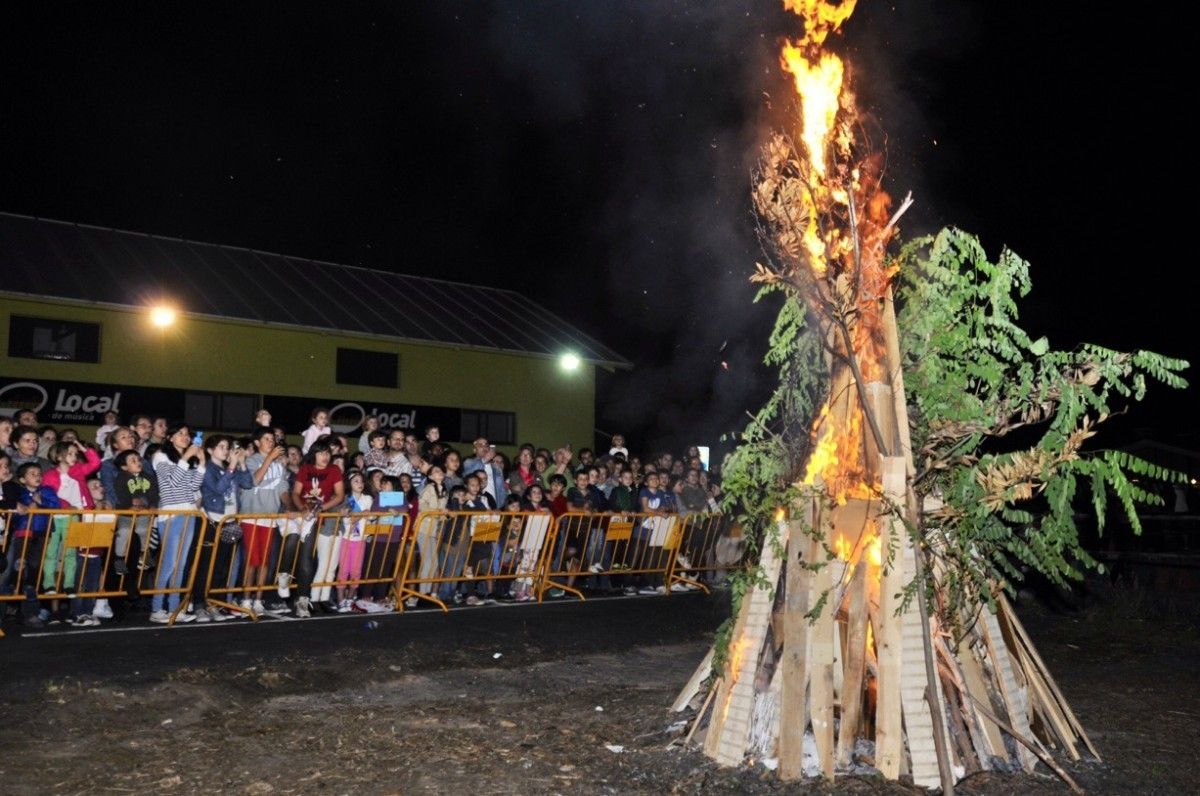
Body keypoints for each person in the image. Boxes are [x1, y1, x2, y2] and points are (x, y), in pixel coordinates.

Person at [149, 424, 206, 624]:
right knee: (169, 563)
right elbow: (172, 482)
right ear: (170, 438)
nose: (185, 437)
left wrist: (201, 462)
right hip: (172, 515)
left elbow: (193, 486)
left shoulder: (187, 460)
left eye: (187, 435)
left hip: (189, 512)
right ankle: (157, 608)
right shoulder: (160, 456)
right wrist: (186, 457)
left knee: (180, 565)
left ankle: (174, 608)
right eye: (180, 433)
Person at [281, 440, 344, 618]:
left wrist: (321, 508)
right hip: (300, 513)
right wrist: (302, 508)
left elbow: (339, 495)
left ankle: (302, 599)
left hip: (317, 517)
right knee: (291, 544)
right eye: (321, 453)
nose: (325, 456)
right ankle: (284, 578)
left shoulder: (334, 470)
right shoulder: (305, 469)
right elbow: (295, 492)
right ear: (314, 454)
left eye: (327, 453)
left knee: (307, 556)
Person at [195, 435, 255, 622]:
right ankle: (199, 605)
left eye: (227, 447)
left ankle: (216, 604)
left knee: (223, 566)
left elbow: (247, 484)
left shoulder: (231, 467)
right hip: (213, 521)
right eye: (221, 446)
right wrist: (231, 467)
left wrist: (242, 464)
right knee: (206, 566)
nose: (226, 450)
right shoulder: (208, 469)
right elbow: (217, 489)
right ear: (211, 450)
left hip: (230, 521)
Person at [237, 428, 289, 615]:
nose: (271, 442)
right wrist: (269, 459)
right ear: (258, 443)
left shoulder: (280, 466)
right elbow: (255, 481)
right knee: (251, 560)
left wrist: (291, 507)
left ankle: (258, 600)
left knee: (265, 561)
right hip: (251, 517)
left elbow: (283, 491)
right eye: (266, 439)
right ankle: (245, 599)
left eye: (273, 439)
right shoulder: (251, 461)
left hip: (270, 518)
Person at [335, 471, 373, 612]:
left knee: (356, 571)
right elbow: (349, 520)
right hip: (347, 539)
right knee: (343, 570)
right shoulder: (345, 499)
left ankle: (350, 599)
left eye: (361, 481)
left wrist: (362, 514)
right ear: (349, 484)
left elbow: (369, 517)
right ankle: (340, 600)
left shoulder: (368, 498)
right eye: (356, 481)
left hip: (360, 539)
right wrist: (362, 513)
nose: (360, 484)